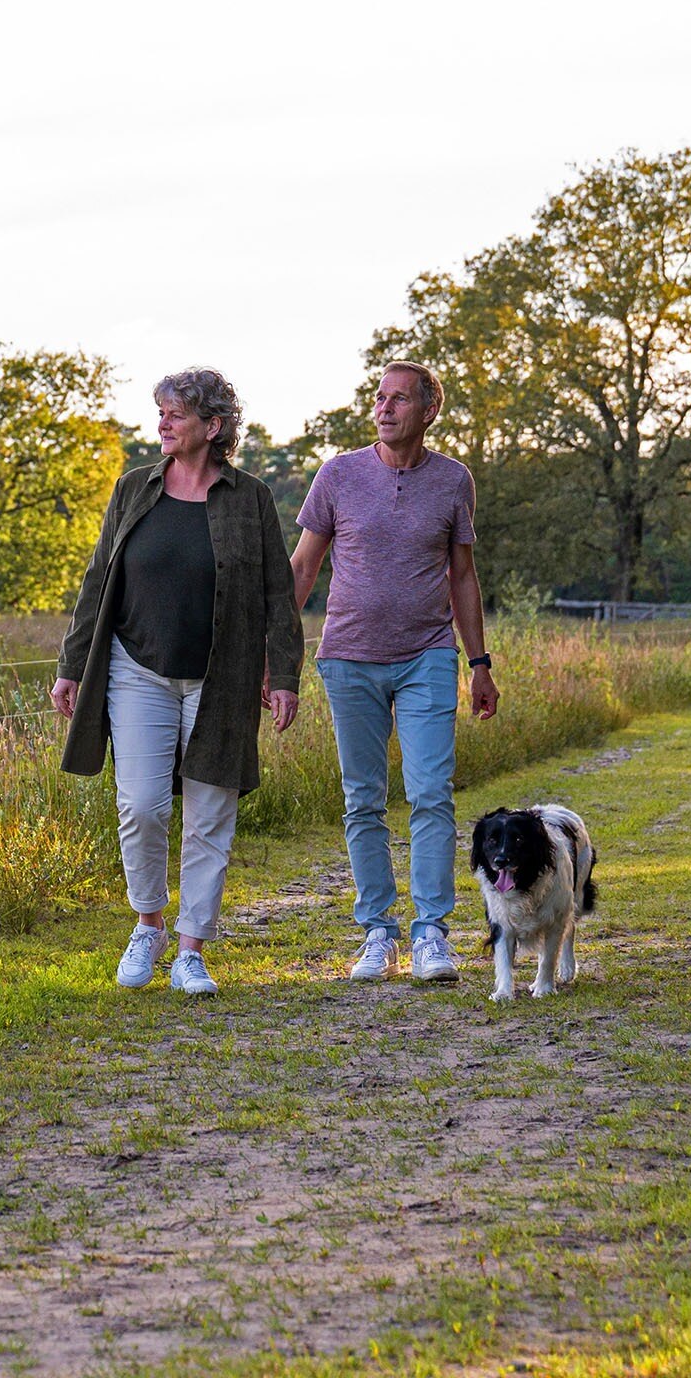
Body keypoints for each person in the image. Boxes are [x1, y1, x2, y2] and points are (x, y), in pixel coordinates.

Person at [53, 367, 304, 996]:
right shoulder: (133, 489)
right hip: (137, 670)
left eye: (175, 414)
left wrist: (285, 674)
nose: (161, 423)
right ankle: (148, 925)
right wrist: (72, 665)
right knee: (140, 806)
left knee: (208, 815)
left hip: (224, 678)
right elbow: (97, 581)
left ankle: (192, 949)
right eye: (160, 411)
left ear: (212, 427)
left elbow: (279, 593)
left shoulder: (250, 499)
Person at [289, 360, 495, 985]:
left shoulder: (454, 480)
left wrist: (480, 663)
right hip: (348, 656)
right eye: (379, 397)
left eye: (399, 399)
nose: (384, 407)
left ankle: (432, 932)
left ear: (428, 410)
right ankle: (377, 933)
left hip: (428, 655)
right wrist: (273, 656)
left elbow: (462, 575)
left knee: (431, 792)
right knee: (363, 800)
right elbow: (302, 567)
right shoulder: (338, 475)